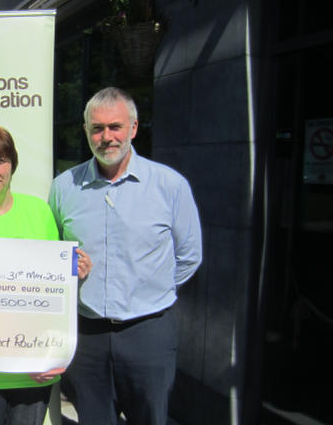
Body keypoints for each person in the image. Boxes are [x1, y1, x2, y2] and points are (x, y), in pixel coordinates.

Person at [48, 87, 203, 425]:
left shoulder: (169, 186)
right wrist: (66, 265)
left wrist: (150, 286)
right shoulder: (64, 188)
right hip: (86, 334)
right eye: (97, 128)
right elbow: (52, 253)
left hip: (147, 332)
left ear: (133, 128)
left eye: (115, 127)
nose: (107, 137)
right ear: (87, 131)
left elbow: (190, 256)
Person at [0, 125, 91, 425]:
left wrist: (74, 273)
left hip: (33, 372)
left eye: (0, 160)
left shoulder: (39, 211)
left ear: (13, 163)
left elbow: (51, 292)